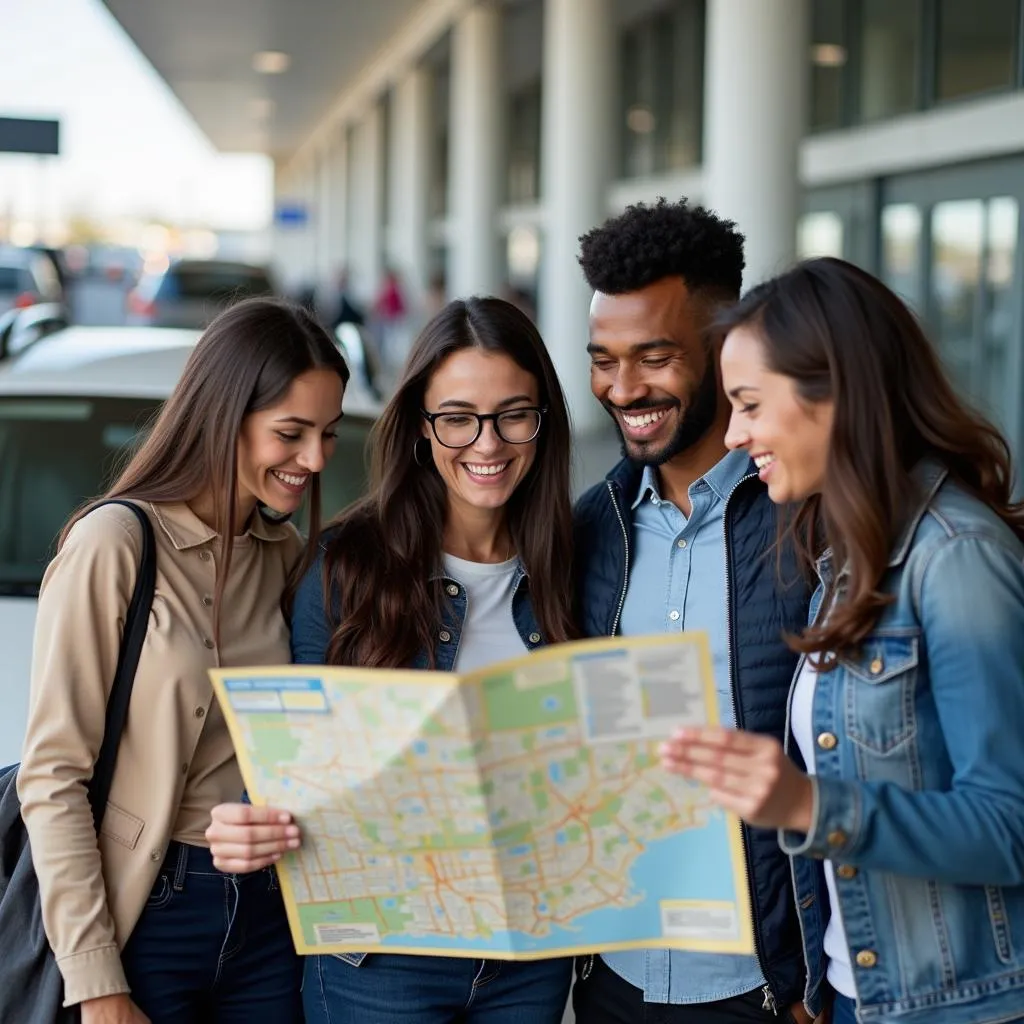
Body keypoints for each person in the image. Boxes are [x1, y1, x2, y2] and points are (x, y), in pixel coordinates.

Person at [661, 256, 1024, 1024]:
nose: (732, 436)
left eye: (750, 404)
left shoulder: (958, 557)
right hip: (861, 999)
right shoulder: (841, 552)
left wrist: (806, 803)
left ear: (834, 392)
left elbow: (1009, 824)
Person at [207, 296, 577, 1023]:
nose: (488, 442)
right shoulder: (348, 565)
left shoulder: (574, 562)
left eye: (513, 414)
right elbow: (301, 763)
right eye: (458, 417)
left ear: (542, 421)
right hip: (378, 960)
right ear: (419, 427)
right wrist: (251, 818)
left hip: (531, 958)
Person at [17, 297, 350, 1024]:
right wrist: (96, 978)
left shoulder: (287, 555)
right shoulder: (114, 544)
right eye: (290, 434)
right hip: (146, 916)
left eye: (326, 434)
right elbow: (54, 775)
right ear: (223, 416)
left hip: (269, 917)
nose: (316, 460)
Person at [571, 199, 815, 1023]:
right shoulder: (586, 529)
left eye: (655, 356)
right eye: (603, 359)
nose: (623, 388)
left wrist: (816, 978)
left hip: (768, 983)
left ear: (723, 349)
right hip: (612, 974)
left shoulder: (810, 523)